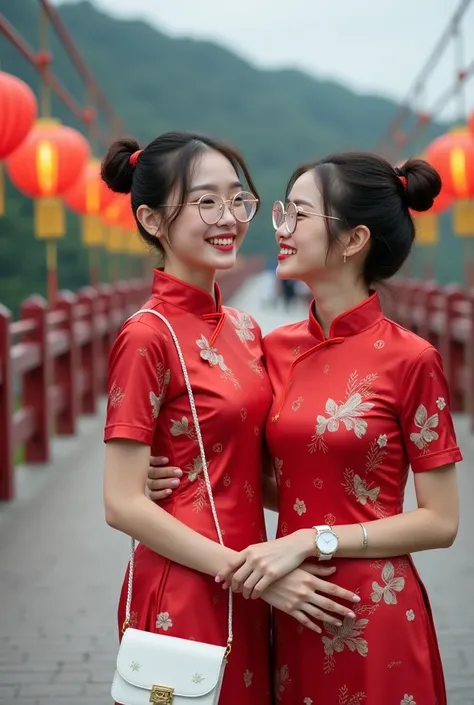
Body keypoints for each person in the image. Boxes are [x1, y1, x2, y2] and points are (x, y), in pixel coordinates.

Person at [147, 153, 461, 705]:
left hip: (373, 605)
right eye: (281, 213)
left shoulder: (414, 360)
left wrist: (313, 539)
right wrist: (183, 474)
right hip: (289, 605)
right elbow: (278, 479)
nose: (281, 231)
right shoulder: (273, 349)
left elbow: (441, 521)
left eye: (299, 215)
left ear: (354, 237)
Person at [101, 132, 360, 705]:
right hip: (190, 582)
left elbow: (249, 466)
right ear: (151, 219)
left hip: (250, 577)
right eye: (205, 202)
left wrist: (351, 524)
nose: (229, 218)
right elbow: (121, 503)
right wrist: (256, 575)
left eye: (237, 200)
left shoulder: (244, 330)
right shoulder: (147, 335)